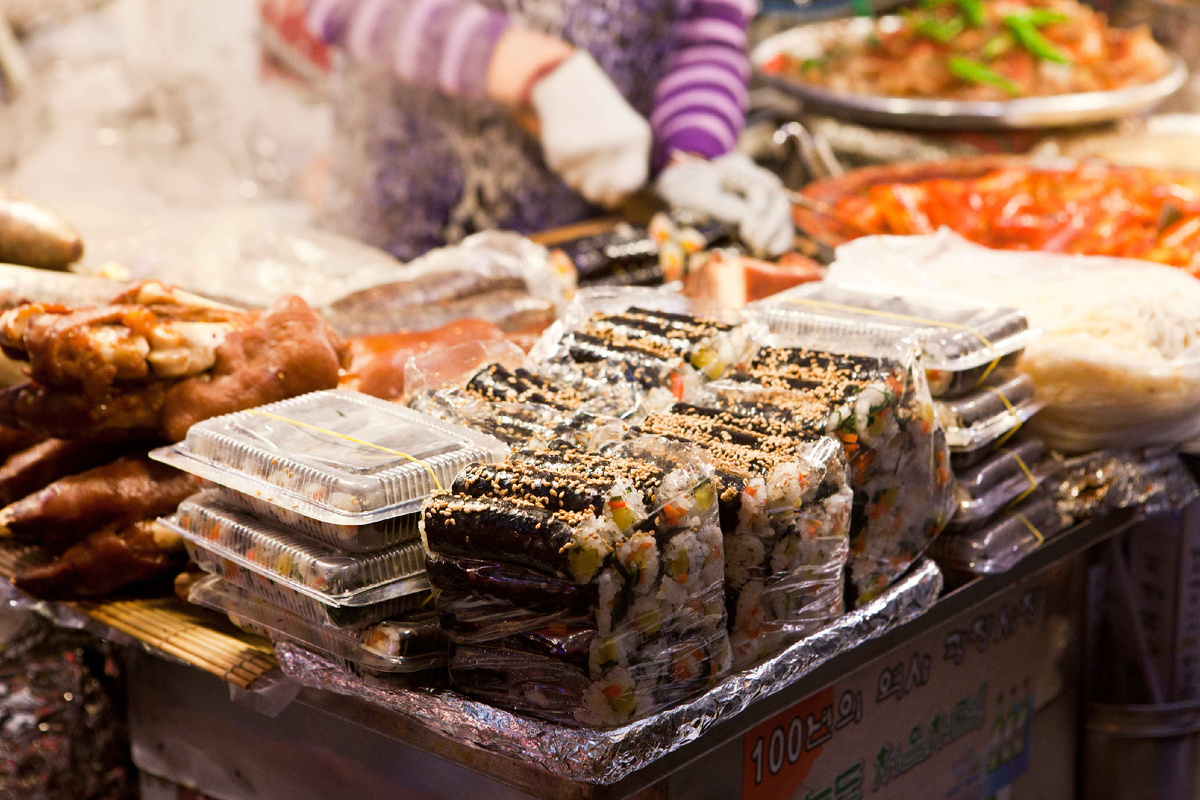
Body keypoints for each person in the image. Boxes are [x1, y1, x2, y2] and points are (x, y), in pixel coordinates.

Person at [308, 0, 795, 262]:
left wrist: (693, 155)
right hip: (399, 237)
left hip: (589, 249)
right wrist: (532, 68)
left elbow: (705, 32)